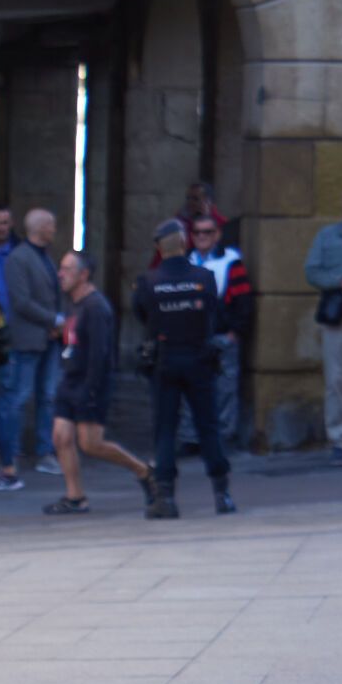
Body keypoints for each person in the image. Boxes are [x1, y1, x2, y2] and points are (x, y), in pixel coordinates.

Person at [134, 218, 236, 518]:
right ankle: (222, 494)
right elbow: (215, 316)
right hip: (200, 359)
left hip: (165, 360)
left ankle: (166, 498)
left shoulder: (147, 282)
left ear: (158, 248)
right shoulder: (204, 278)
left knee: (165, 429)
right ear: (184, 243)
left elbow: (143, 315)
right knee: (209, 427)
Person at [42, 249, 152, 516]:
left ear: (84, 274)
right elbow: (76, 340)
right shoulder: (73, 303)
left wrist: (89, 391)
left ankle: (144, 471)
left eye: (67, 269)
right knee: (61, 437)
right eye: (61, 268)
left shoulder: (96, 307)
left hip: (90, 384)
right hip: (70, 379)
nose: (60, 274)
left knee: (91, 444)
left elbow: (100, 355)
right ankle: (75, 497)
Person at [0, 209, 63, 480]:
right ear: (42, 228)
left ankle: (45, 451)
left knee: (48, 396)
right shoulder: (19, 258)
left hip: (48, 338)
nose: (54, 230)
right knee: (19, 397)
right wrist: (54, 320)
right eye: (52, 225)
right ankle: (11, 452)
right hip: (28, 339)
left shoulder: (45, 257)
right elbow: (21, 302)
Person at [181, 215, 252, 452]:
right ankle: (192, 438)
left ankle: (221, 436)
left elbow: (243, 300)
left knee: (224, 388)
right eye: (198, 232)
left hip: (222, 334)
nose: (202, 236)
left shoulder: (232, 263)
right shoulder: (185, 262)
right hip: (191, 336)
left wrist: (234, 332)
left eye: (207, 232)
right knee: (189, 387)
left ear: (217, 234)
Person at [307, 199, 342, 466]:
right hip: (338, 317)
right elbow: (311, 271)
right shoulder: (327, 236)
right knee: (336, 380)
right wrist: (338, 282)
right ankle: (340, 439)